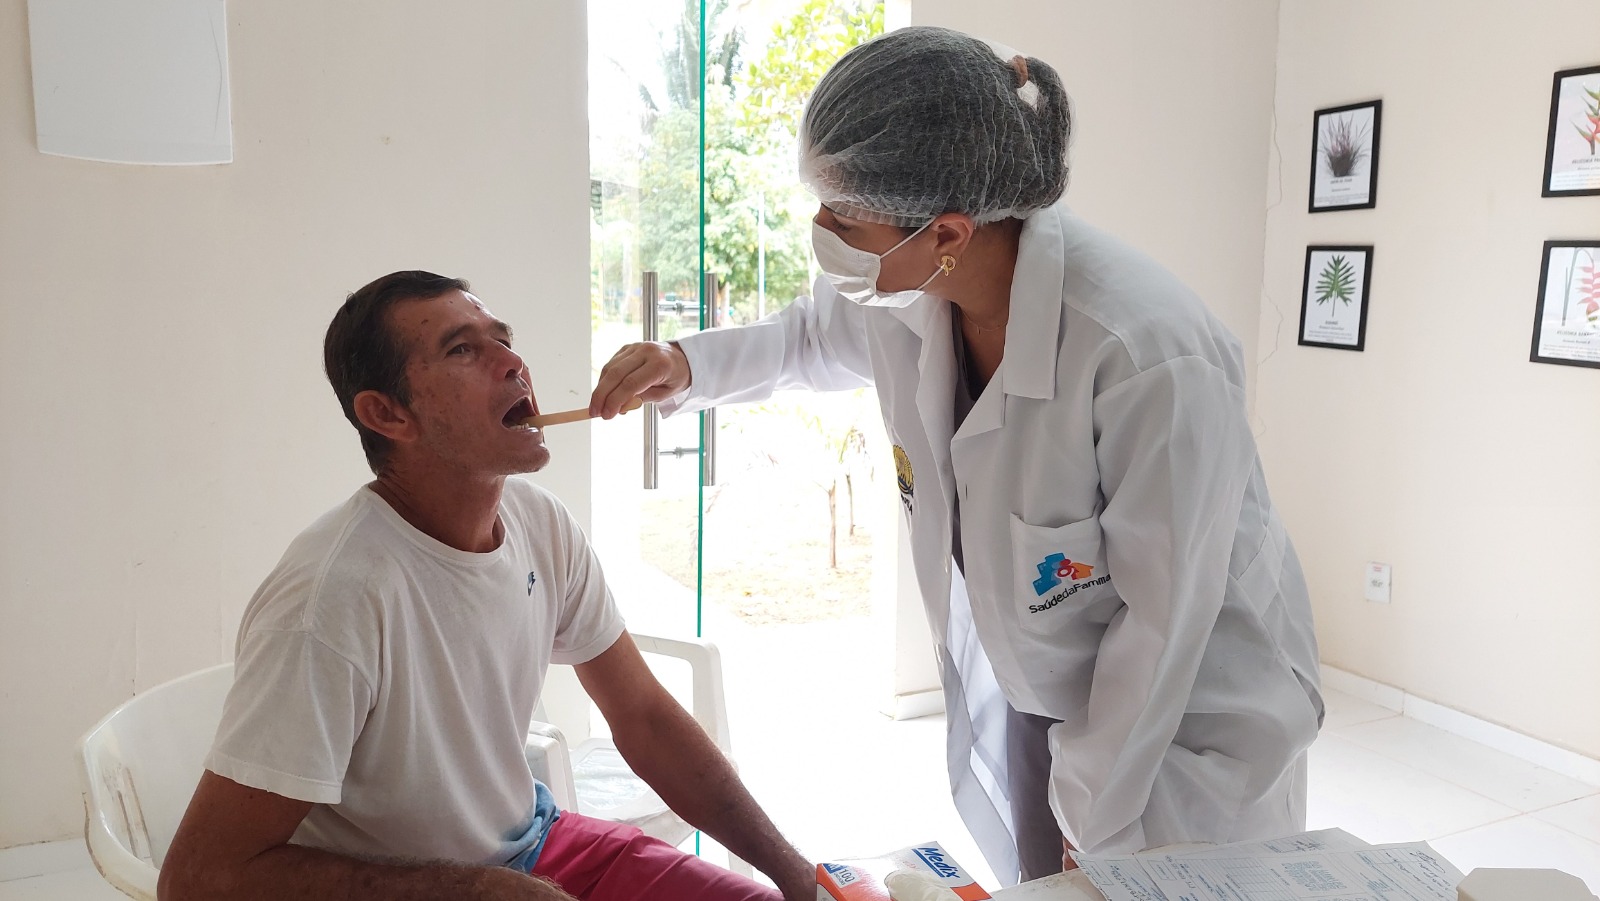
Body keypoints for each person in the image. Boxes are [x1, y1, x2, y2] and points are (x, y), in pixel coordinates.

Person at [590, 26, 1323, 886]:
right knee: (1036, 865)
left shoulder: (1143, 349)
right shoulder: (910, 289)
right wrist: (687, 364)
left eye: (842, 217)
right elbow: (808, 337)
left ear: (946, 230)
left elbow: (1164, 625)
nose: (821, 231)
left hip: (1188, 725)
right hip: (1041, 682)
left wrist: (1093, 806)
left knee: (1143, 874)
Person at [158, 271, 813, 901]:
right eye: (463, 349)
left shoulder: (541, 524)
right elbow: (199, 878)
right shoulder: (335, 596)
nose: (512, 362)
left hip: (536, 845)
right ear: (388, 414)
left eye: (502, 337)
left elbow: (643, 716)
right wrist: (473, 890)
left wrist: (798, 876)